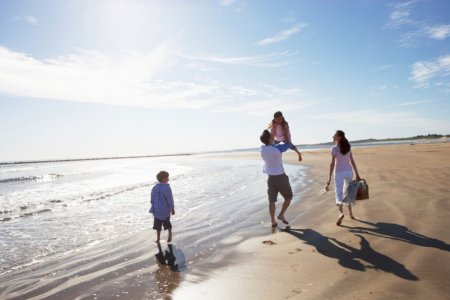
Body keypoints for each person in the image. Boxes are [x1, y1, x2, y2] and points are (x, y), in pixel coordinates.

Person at [325, 130, 361, 226]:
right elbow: (352, 161)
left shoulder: (334, 148)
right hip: (349, 171)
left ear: (339, 137)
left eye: (335, 135)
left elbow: (332, 164)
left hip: (339, 172)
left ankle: (341, 213)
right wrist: (357, 174)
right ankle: (351, 214)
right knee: (348, 192)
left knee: (338, 192)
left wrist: (329, 179)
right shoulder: (348, 147)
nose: (333, 136)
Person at [260, 129, 294, 227]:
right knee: (288, 197)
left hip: (270, 179)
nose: (273, 136)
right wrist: (286, 134)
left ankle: (272, 221)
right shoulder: (278, 148)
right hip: (281, 177)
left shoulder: (262, 148)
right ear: (269, 138)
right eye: (271, 135)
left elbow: (270, 144)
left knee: (271, 201)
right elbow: (288, 143)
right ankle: (281, 214)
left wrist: (273, 139)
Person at [150, 171, 175, 243]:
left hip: (156, 210)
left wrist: (153, 208)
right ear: (164, 179)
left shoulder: (154, 187)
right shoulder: (167, 188)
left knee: (158, 226)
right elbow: (170, 199)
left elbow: (152, 199)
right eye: (167, 177)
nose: (168, 178)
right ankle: (170, 233)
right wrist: (172, 208)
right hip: (165, 210)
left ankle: (158, 239)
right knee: (167, 223)